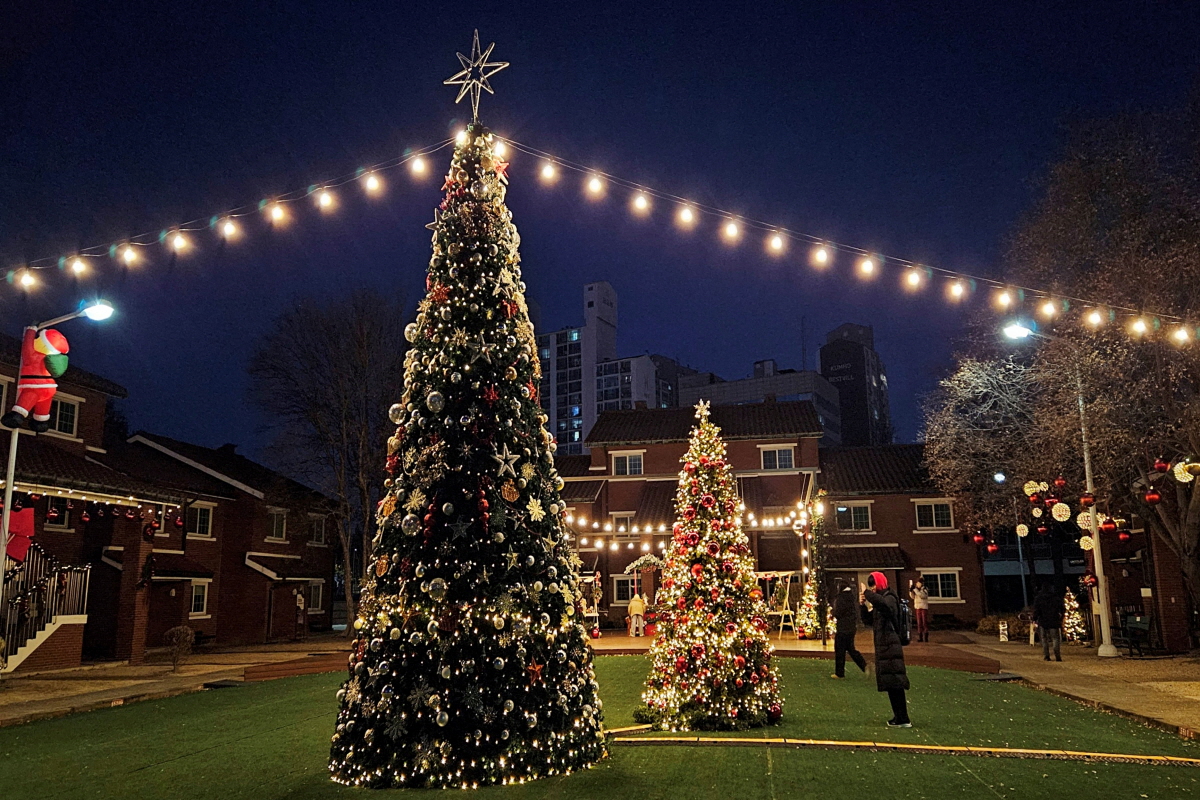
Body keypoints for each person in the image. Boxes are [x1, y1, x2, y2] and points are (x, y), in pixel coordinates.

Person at [861, 571, 911, 727]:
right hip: (884, 646)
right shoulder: (881, 600)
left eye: (874, 585)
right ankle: (899, 717)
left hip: (891, 645)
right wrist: (862, 605)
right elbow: (869, 620)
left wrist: (867, 594)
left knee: (895, 682)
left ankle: (903, 718)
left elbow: (884, 606)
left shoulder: (889, 598)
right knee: (891, 682)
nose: (873, 588)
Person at [831, 581, 867, 678]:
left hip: (842, 628)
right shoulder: (852, 597)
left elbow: (838, 613)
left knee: (839, 650)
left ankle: (839, 673)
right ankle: (864, 666)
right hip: (851, 628)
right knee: (851, 649)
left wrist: (832, 612)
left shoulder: (840, 598)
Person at [1033, 582, 1065, 662]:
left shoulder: (1039, 598)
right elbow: (1062, 608)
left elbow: (1037, 610)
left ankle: (1047, 656)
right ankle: (1057, 656)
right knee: (1055, 638)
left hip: (1043, 621)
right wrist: (1060, 617)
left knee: (1044, 639)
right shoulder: (1056, 598)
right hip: (1054, 620)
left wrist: (1034, 619)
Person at [910, 576, 931, 643]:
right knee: (919, 623)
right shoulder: (917, 590)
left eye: (918, 583)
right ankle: (920, 637)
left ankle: (926, 637)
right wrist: (911, 591)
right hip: (918, 607)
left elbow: (922, 596)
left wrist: (915, 590)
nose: (917, 584)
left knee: (924, 622)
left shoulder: (924, 589)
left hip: (923, 607)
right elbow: (913, 597)